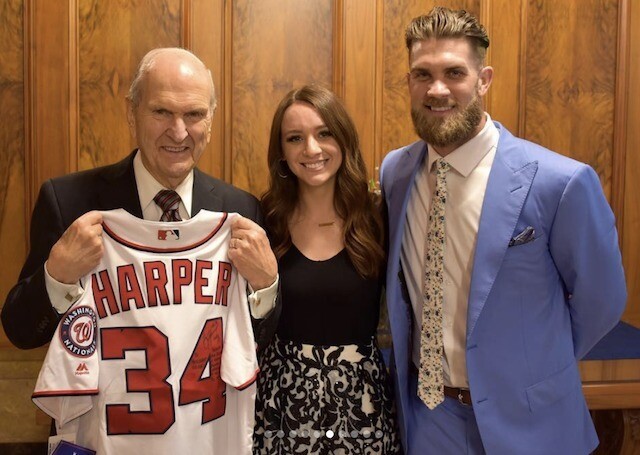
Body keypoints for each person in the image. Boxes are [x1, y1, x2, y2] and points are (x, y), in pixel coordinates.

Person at [380, 7, 627, 455]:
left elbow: (602, 301)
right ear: (409, 83)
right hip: (427, 422)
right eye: (422, 74)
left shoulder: (561, 183)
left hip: (533, 427)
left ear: (483, 79)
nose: (437, 89)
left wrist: (533, 370)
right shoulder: (395, 174)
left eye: (454, 72)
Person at [1, 47, 279, 352]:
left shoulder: (241, 211)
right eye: (161, 112)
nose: (178, 131)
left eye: (194, 114)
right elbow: (22, 333)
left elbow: (258, 344)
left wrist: (265, 287)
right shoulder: (68, 202)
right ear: (132, 113)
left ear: (210, 121)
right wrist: (58, 278)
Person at [253, 85, 400, 454]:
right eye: (295, 138)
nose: (312, 149)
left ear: (343, 139)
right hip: (280, 406)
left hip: (363, 408)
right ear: (282, 153)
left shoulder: (378, 216)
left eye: (324, 133)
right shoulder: (262, 220)